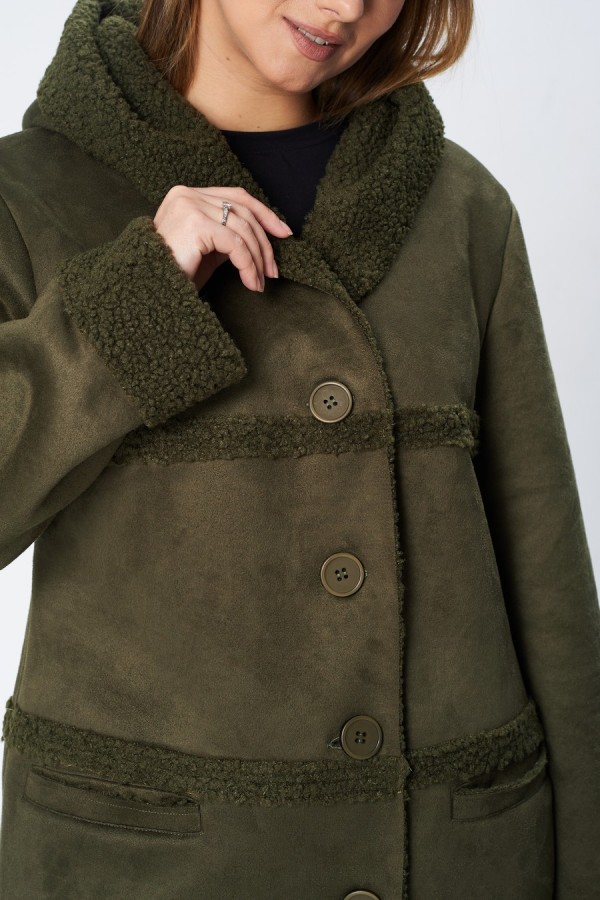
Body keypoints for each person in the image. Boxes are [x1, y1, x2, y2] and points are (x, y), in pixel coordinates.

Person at [0, 0, 598, 897]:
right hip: (151, 865)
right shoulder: (26, 196)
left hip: (455, 858)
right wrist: (139, 291)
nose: (349, 7)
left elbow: (546, 573)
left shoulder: (462, 206)